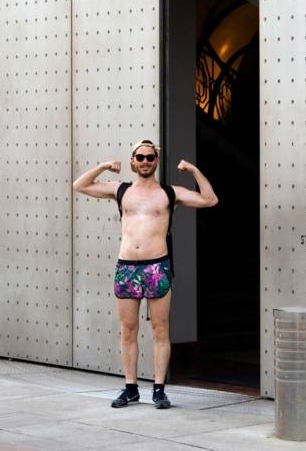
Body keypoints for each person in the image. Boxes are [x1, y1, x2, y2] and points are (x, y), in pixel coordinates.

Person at [72, 139, 218, 409]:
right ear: (132, 161)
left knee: (160, 330)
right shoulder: (120, 190)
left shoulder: (169, 193)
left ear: (156, 161)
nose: (145, 162)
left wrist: (193, 170)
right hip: (127, 267)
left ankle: (159, 389)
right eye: (140, 157)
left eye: (150, 158)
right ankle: (130, 388)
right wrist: (104, 165)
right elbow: (79, 185)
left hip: (156, 266)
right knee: (128, 330)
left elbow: (210, 199)